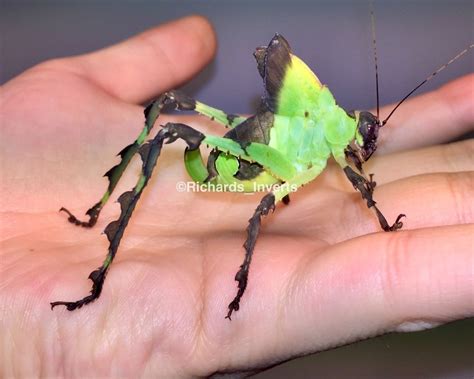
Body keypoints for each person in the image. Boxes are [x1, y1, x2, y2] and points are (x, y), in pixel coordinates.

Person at [0, 15, 472, 377]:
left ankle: (98, 220)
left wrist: (369, 199)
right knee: (169, 126)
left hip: (260, 156)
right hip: (226, 164)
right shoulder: (324, 139)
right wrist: (245, 275)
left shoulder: (332, 142)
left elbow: (353, 175)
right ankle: (98, 255)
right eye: (363, 139)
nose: (363, 148)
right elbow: (282, 200)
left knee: (260, 185)